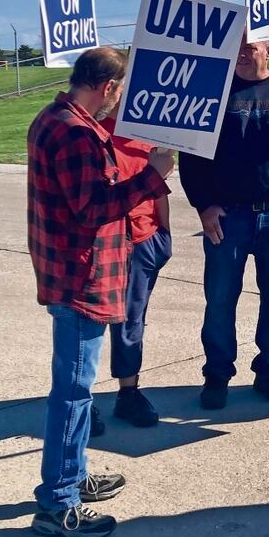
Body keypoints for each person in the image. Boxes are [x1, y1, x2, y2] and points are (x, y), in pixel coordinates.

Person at [27, 47, 175, 537]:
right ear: (108, 86)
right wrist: (152, 176)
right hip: (80, 277)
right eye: (121, 89)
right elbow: (93, 208)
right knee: (73, 393)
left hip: (71, 270)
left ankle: (72, 475)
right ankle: (58, 503)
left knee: (76, 390)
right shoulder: (76, 132)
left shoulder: (55, 118)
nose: (120, 100)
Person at [180, 39, 269, 410]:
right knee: (220, 298)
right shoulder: (214, 93)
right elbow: (191, 154)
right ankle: (217, 375)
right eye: (238, 47)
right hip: (227, 216)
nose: (243, 53)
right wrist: (204, 205)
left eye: (252, 47)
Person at [90, 107, 173, 429]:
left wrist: (163, 235)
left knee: (132, 320)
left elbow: (157, 189)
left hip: (143, 239)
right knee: (89, 323)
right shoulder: (91, 133)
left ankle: (129, 392)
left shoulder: (145, 130)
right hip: (103, 242)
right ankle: (81, 400)